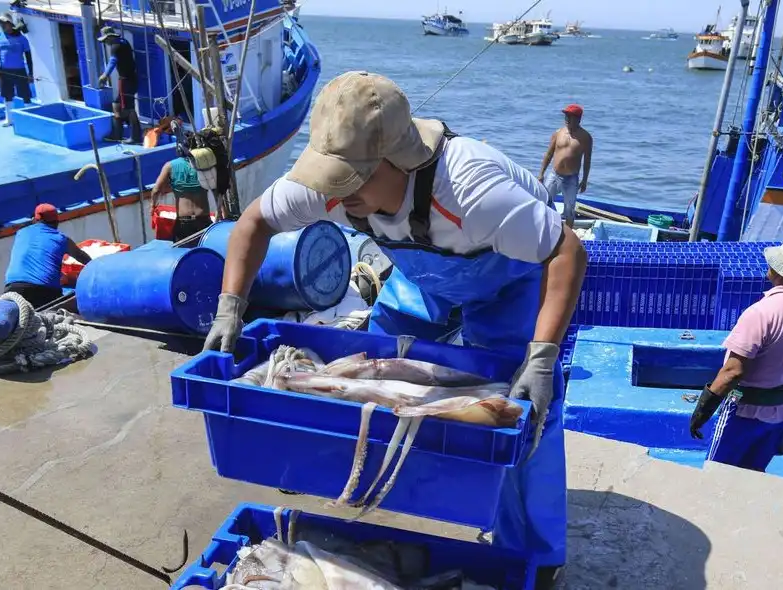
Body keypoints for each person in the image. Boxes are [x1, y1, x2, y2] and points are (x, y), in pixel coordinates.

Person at [203, 71, 587, 589]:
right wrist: (232, 306)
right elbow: (253, 223)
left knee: (524, 415)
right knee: (363, 378)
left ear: (399, 161)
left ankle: (538, 554)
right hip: (422, 277)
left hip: (511, 279)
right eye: (329, 176)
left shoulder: (474, 191)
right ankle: (376, 480)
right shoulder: (329, 190)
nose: (334, 197)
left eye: (350, 178)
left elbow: (566, 250)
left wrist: (541, 357)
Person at [689, 233, 783, 472]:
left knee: (717, 473)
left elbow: (732, 372)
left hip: (745, 412)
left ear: (781, 270)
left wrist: (702, 411)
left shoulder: (762, 312)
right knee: (754, 474)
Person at [4, 204, 92, 308]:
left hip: (12, 289)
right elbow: (82, 257)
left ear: (35, 220)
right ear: (57, 222)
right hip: (44, 292)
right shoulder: (61, 239)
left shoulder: (20, 233)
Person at [538, 104, 593, 227]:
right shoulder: (558, 133)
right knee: (544, 202)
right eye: (566, 115)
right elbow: (548, 154)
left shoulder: (586, 138)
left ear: (578, 119)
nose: (567, 118)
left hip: (571, 178)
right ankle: (544, 229)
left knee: (569, 210)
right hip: (554, 175)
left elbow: (587, 160)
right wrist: (541, 174)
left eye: (570, 116)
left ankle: (568, 237)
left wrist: (584, 180)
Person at [151, 155, 214, 244]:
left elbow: (156, 190)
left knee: (182, 253)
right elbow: (218, 190)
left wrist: (152, 206)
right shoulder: (205, 164)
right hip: (203, 219)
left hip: (184, 221)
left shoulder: (170, 166)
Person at [97, 26, 142, 144]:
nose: (105, 43)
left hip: (126, 80)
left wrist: (105, 75)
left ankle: (136, 137)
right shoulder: (123, 42)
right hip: (130, 79)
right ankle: (117, 133)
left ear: (110, 37)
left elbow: (112, 61)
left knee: (129, 108)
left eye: (105, 40)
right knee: (116, 104)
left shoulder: (116, 46)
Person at [0, 12, 33, 127]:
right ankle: (9, 119)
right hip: (4, 71)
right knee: (7, 95)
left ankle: (30, 119)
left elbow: (28, 57)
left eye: (5, 24)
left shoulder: (22, 39)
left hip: (20, 71)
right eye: (1, 25)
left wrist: (30, 73)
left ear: (10, 24)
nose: (3, 27)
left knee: (25, 95)